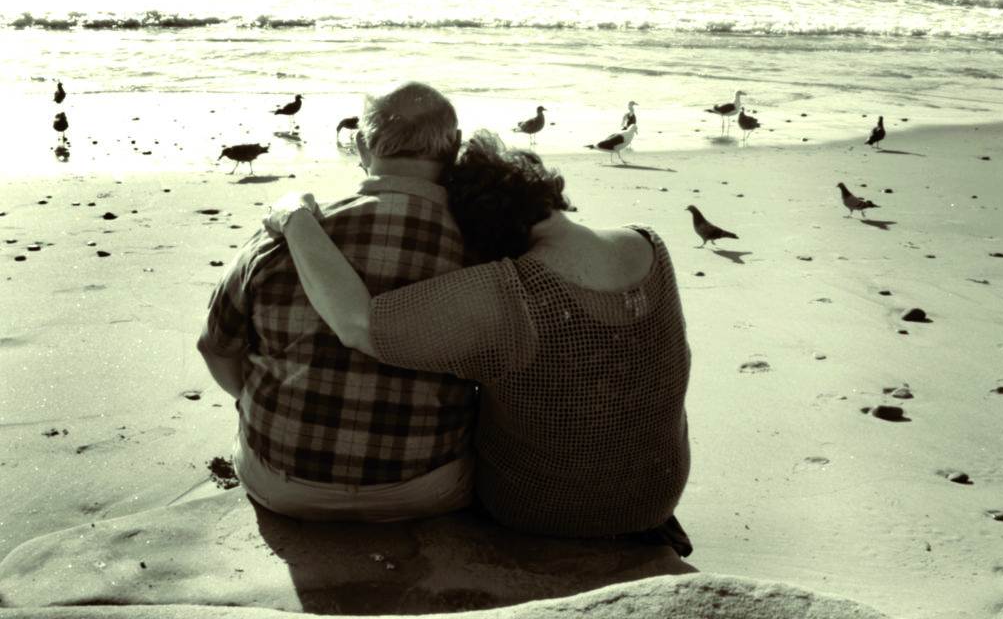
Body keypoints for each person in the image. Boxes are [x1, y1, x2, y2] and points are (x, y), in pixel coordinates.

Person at [265, 131, 693, 555]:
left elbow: (358, 323)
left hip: (548, 512)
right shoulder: (649, 245)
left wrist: (294, 218)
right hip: (657, 496)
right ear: (546, 189)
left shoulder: (507, 290)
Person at [197, 82, 478, 522]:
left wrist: (250, 402)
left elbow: (214, 346)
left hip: (282, 484)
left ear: (362, 144)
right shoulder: (481, 245)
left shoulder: (286, 233)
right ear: (454, 146)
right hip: (424, 489)